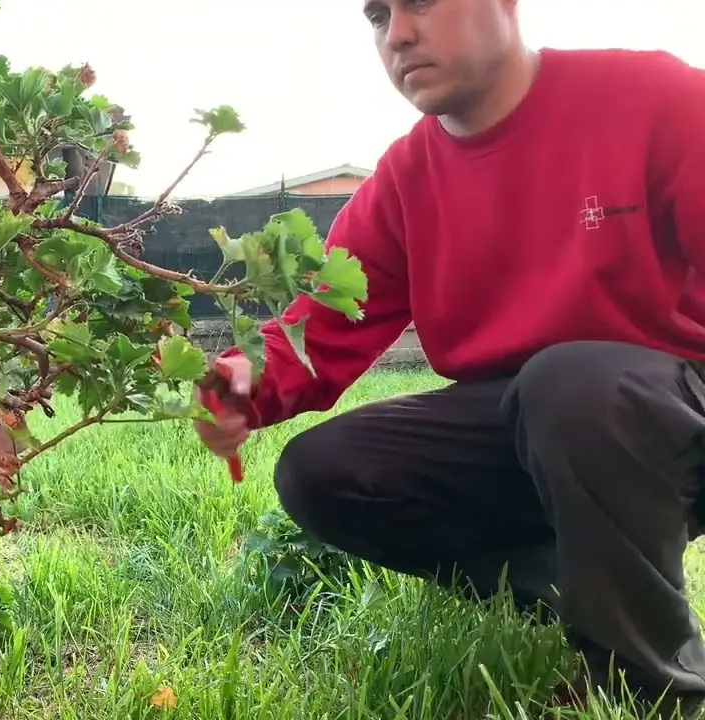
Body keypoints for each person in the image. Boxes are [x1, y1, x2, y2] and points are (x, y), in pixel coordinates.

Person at [195, 0, 705, 712]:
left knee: (570, 387)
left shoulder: (656, 99)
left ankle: (649, 685)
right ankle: (576, 592)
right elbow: (322, 321)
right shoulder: (408, 176)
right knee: (323, 472)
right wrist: (244, 384)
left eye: (422, 3)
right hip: (536, 422)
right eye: (376, 15)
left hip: (674, 414)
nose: (398, 34)